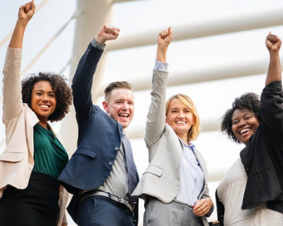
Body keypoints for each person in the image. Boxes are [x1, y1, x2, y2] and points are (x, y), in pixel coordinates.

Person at [58, 24, 139, 226]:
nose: (126, 107)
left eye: (130, 103)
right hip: (100, 205)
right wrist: (98, 43)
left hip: (127, 215)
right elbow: (80, 84)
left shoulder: (126, 143)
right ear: (105, 106)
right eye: (119, 102)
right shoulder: (93, 117)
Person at [0, 1, 72, 226]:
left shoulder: (55, 138)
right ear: (28, 97)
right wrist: (21, 24)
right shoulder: (17, 117)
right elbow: (11, 72)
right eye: (39, 93)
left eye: (51, 95)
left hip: (51, 206)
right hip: (22, 198)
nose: (45, 98)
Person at [132, 27, 214, 226]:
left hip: (194, 218)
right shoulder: (159, 137)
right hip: (165, 209)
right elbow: (158, 96)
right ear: (166, 118)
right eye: (174, 111)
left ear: (193, 118)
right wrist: (162, 51)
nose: (181, 115)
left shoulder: (199, 157)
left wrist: (208, 204)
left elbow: (204, 194)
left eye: (186, 111)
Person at [216, 32, 283, 226]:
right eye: (235, 122)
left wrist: (274, 55)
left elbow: (272, 98)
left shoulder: (269, 143)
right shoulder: (241, 161)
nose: (241, 123)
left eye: (247, 117)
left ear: (261, 119)